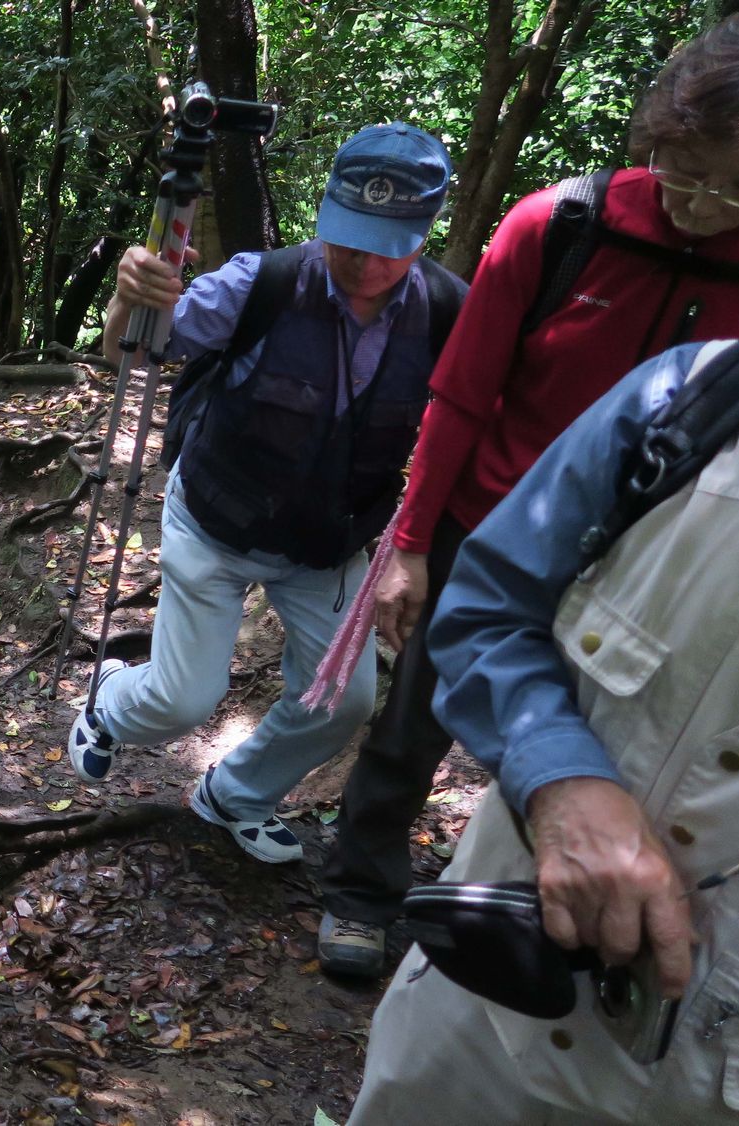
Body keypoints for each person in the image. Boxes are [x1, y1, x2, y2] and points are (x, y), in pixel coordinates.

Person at [315, 10, 739, 980]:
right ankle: (360, 889)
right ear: (656, 137)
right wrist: (408, 543)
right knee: (412, 722)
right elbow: (459, 393)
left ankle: (550, 921)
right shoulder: (560, 225)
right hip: (487, 526)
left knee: (613, 756)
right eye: (687, 170)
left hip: (658, 570)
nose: (706, 204)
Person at [346, 333, 739, 1124]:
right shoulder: (699, 394)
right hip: (486, 1000)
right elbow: (489, 600)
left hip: (725, 1087)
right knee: (393, 739)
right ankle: (357, 889)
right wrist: (562, 781)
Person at [60, 124, 465, 863]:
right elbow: (135, 349)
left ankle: (235, 794)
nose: (366, 264)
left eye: (389, 246)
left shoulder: (447, 312)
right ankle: (110, 702)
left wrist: (415, 546)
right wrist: (130, 297)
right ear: (327, 215)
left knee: (342, 701)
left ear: (423, 235)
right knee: (182, 701)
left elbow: (471, 424)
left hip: (327, 544)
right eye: (350, 240)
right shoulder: (263, 283)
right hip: (214, 520)